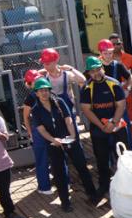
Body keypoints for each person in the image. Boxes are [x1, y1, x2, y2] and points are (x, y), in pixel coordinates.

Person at [30, 78, 98, 211]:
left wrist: (72, 136)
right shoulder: (36, 110)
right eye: (41, 91)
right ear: (36, 93)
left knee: (81, 166)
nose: (44, 93)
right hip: (53, 143)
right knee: (59, 172)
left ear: (49, 91)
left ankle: (92, 194)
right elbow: (41, 129)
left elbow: (68, 120)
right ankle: (65, 202)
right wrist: (52, 140)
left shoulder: (59, 102)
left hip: (68, 139)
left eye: (46, 90)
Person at [79, 56, 127, 198]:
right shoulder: (87, 88)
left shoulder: (114, 84)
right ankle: (104, 185)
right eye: (92, 71)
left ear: (102, 68)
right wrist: (101, 126)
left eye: (98, 69)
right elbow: (86, 110)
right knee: (101, 158)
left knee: (122, 157)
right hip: (98, 129)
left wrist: (112, 123)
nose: (96, 73)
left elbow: (121, 104)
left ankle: (125, 185)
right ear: (88, 73)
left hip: (117, 126)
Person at [97, 39, 132, 150]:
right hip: (103, 104)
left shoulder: (117, 65)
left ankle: (129, 152)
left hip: (118, 102)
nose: (108, 56)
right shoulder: (96, 68)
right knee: (106, 130)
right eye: (105, 53)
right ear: (100, 53)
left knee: (124, 128)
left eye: (110, 53)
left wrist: (127, 88)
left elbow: (130, 77)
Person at [22, 69, 54, 196]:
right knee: (42, 159)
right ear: (30, 84)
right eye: (34, 80)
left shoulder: (47, 92)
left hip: (51, 128)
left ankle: (61, 181)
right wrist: (30, 133)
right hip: (38, 131)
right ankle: (44, 186)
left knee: (55, 157)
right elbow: (26, 117)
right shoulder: (30, 98)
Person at [40, 49, 86, 124]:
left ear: (55, 61)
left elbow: (83, 80)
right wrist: (36, 75)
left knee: (73, 133)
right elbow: (28, 85)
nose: (45, 66)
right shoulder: (43, 76)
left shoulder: (66, 74)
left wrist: (71, 69)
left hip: (69, 110)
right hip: (52, 112)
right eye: (43, 63)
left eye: (47, 63)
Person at [108, 34, 132, 123]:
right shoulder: (104, 60)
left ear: (121, 44)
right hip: (111, 95)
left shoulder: (130, 58)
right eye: (112, 44)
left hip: (127, 93)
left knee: (130, 119)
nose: (115, 46)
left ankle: (131, 136)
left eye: (117, 44)